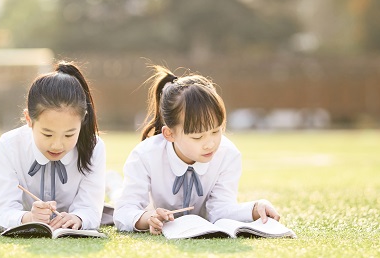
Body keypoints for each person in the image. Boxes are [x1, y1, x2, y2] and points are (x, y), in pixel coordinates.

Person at [114, 65, 280, 234]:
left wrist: (254, 208)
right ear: (169, 134)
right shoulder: (145, 155)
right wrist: (147, 218)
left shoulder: (227, 154)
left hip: (199, 227)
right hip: (151, 208)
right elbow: (123, 211)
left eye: (216, 131)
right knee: (117, 194)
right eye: (197, 137)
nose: (210, 144)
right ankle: (112, 183)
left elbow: (220, 209)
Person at [0, 61, 106, 232]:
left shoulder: (94, 147)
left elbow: (90, 209)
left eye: (69, 135)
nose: (57, 145)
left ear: (82, 121)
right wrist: (29, 218)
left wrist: (77, 217)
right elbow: (3, 212)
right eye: (47, 134)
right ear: (28, 120)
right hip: (3, 178)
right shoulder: (9, 146)